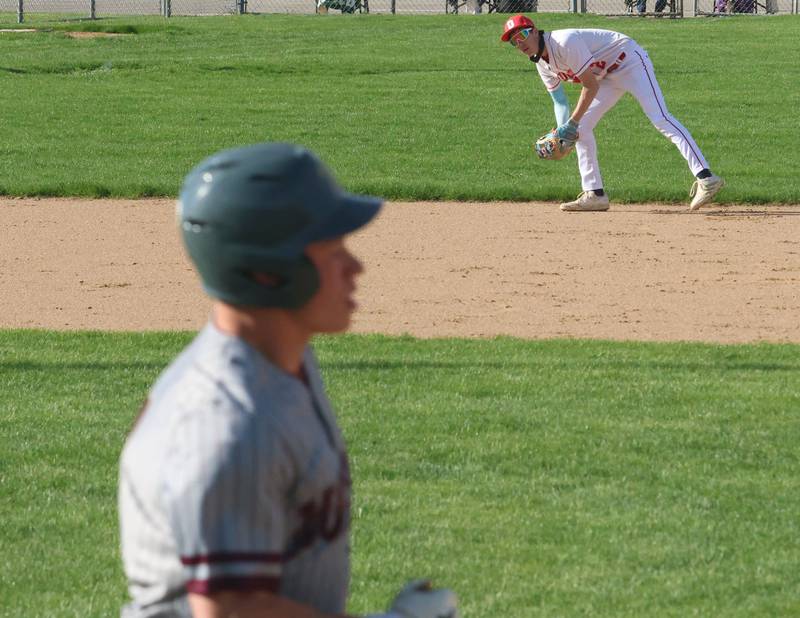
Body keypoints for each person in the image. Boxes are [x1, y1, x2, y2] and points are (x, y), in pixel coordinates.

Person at [118, 143, 459, 618]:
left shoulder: (283, 361)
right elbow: (231, 612)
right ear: (269, 272)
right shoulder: (228, 422)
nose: (355, 267)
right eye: (331, 250)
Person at [501, 15, 725, 212]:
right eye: (513, 41)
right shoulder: (541, 64)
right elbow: (559, 101)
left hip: (629, 61)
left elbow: (590, 86)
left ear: (534, 30)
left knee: (660, 118)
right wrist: (563, 134)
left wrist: (572, 124)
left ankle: (706, 177)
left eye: (521, 35)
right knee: (580, 129)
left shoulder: (564, 42)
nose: (519, 43)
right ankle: (594, 194)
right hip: (605, 76)